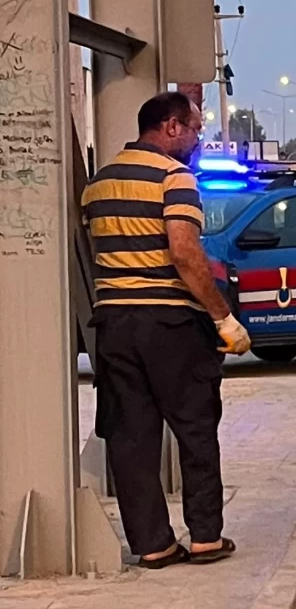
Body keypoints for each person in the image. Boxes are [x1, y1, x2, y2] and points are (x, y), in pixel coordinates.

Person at [82, 92, 252, 568]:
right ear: (172, 127)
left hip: (114, 324)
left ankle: (154, 544)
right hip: (170, 323)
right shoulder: (174, 177)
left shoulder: (99, 184)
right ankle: (205, 538)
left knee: (130, 436)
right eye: (195, 129)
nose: (197, 140)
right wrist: (223, 317)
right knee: (196, 425)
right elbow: (184, 253)